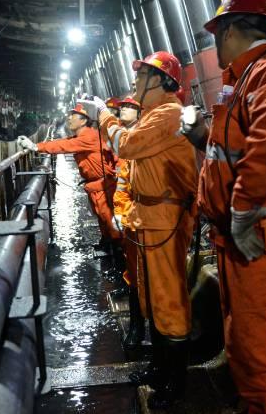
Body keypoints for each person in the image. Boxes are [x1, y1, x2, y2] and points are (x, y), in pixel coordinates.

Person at [181, 0, 266, 414]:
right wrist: (201, 137)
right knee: (244, 349)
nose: (216, 46)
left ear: (231, 30)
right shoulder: (243, 80)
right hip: (242, 238)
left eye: (217, 36)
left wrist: (241, 210)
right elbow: (238, 150)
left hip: (263, 236)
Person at [79, 52, 198, 408]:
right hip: (148, 214)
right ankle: (159, 368)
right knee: (150, 296)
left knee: (167, 299)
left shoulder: (169, 114)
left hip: (165, 215)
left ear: (161, 80)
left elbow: (126, 145)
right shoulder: (153, 116)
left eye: (142, 75)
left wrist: (103, 115)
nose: (135, 82)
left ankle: (175, 382)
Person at [17, 103, 121, 247]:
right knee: (103, 218)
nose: (69, 118)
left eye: (73, 116)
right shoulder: (83, 136)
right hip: (96, 185)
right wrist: (38, 146)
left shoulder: (89, 137)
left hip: (104, 186)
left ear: (83, 121)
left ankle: (119, 252)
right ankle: (109, 246)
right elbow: (66, 141)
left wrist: (36, 147)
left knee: (110, 220)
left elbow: (64, 146)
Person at [109, 97, 144, 349]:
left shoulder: (144, 138)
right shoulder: (128, 142)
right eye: (123, 106)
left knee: (155, 278)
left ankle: (150, 331)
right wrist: (121, 213)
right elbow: (123, 183)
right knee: (133, 274)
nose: (124, 109)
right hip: (134, 217)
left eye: (130, 106)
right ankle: (136, 327)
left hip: (155, 219)